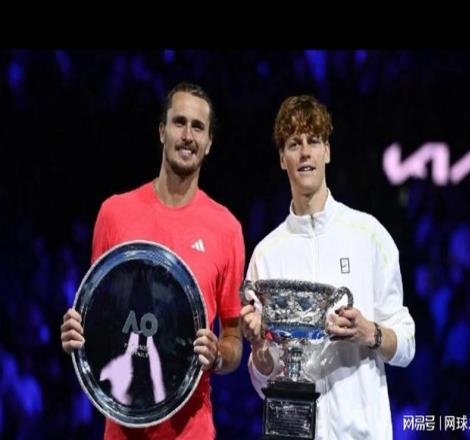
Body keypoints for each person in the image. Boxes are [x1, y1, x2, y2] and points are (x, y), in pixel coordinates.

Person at [60, 82, 244, 439]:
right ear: (162, 131)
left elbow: (234, 338)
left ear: (209, 143)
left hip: (192, 430)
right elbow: (97, 317)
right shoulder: (114, 214)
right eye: (179, 122)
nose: (187, 136)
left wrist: (219, 354)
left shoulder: (227, 229)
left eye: (198, 127)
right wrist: (76, 332)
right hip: (122, 427)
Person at [240, 95, 415, 439]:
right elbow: (263, 383)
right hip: (293, 432)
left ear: (327, 152)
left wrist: (370, 333)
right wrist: (259, 354)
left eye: (314, 141)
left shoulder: (370, 236)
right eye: (294, 144)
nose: (305, 152)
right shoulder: (266, 254)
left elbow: (407, 345)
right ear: (282, 159)